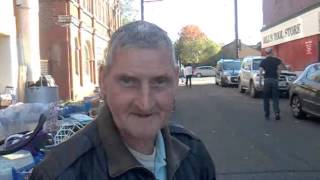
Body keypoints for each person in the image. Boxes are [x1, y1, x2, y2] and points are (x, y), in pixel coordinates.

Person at [30, 21, 215, 180]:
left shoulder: (194, 154)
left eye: (159, 81)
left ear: (175, 81)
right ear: (103, 80)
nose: (145, 103)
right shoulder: (58, 174)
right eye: (128, 81)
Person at [259, 48, 285, 120]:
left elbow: (260, 72)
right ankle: (276, 112)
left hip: (267, 81)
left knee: (266, 98)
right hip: (274, 80)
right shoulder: (276, 60)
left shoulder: (263, 61)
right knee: (275, 98)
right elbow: (281, 67)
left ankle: (267, 114)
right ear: (272, 52)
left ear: (266, 53)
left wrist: (260, 82)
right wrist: (279, 75)